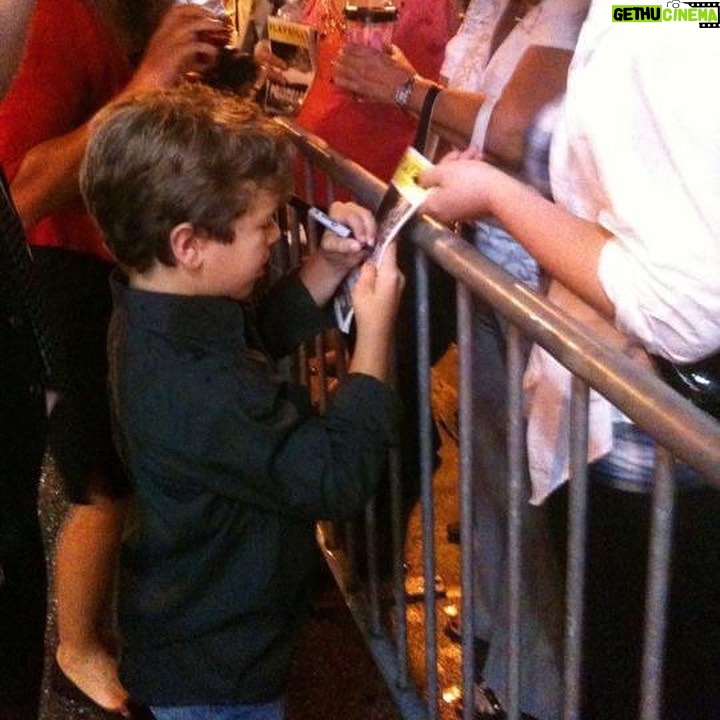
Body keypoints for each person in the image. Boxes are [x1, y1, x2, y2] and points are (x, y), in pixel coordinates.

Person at [418, 1, 720, 717]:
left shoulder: (670, 28)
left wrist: (499, 196)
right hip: (623, 425)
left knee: (639, 681)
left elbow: (684, 304)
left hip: (648, 447)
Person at [78, 82, 404, 719]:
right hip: (218, 673)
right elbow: (335, 474)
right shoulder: (199, 386)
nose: (275, 239)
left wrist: (328, 267)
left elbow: (255, 333)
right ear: (189, 245)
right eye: (262, 225)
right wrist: (376, 331)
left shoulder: (153, 313)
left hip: (196, 636)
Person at [335, 1, 589, 717]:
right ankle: (494, 646)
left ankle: (535, 689)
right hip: (483, 268)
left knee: (539, 501)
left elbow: (512, 130)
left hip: (553, 291)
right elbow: (463, 123)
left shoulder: (655, 15)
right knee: (490, 474)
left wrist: (405, 90)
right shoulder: (497, 7)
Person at [0, 0, 242, 714]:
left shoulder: (136, 14)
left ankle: (95, 634)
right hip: (60, 277)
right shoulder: (59, 17)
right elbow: (24, 189)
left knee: (121, 472)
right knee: (98, 482)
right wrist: (150, 76)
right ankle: (74, 648)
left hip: (111, 273)